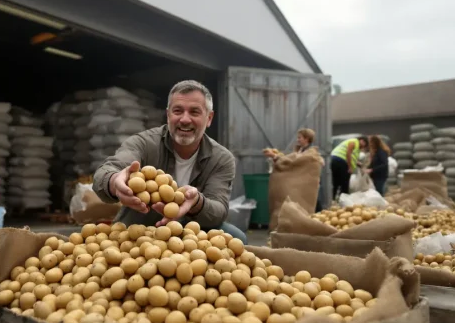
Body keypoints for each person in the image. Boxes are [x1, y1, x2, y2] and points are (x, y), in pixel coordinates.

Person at [93, 80, 247, 243]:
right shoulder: (144, 143)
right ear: (168, 115)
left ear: (209, 118)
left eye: (194, 112)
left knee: (237, 238)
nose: (185, 119)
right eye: (178, 111)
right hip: (139, 234)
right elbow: (105, 172)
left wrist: (197, 202)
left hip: (191, 236)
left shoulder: (221, 158)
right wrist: (114, 182)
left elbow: (219, 210)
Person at [262, 128, 324, 211]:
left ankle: (319, 214)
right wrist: (277, 157)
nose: (297, 140)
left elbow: (293, 162)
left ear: (306, 139)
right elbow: (291, 160)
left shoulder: (310, 153)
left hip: (308, 183)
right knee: (309, 200)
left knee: (312, 200)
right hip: (302, 183)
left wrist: (275, 156)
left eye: (299, 137)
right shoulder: (300, 150)